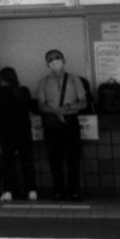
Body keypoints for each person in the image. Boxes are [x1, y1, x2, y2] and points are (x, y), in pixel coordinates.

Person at [35, 49, 87, 201]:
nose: (54, 61)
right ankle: (58, 191)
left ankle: (74, 192)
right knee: (54, 159)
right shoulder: (43, 82)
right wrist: (55, 111)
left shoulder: (75, 80)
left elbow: (83, 102)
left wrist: (67, 108)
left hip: (71, 121)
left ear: (64, 60)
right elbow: (41, 105)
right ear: (47, 64)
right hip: (52, 123)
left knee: (73, 158)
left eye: (57, 58)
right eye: (50, 59)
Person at [0, 67, 37, 202]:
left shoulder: (0, 92)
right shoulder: (24, 91)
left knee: (8, 162)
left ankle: (9, 191)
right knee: (26, 161)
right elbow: (30, 107)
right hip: (24, 131)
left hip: (7, 132)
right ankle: (31, 191)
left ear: (2, 79)